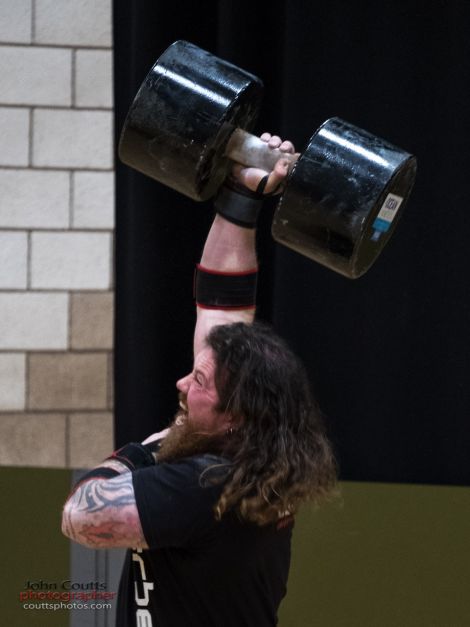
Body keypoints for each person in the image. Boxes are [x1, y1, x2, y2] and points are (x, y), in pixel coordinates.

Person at [62, 133, 337, 627]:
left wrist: (142, 452)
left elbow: (81, 516)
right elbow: (221, 307)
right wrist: (243, 192)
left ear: (235, 415)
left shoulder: (205, 486)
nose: (182, 384)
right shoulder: (253, 461)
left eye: (200, 382)